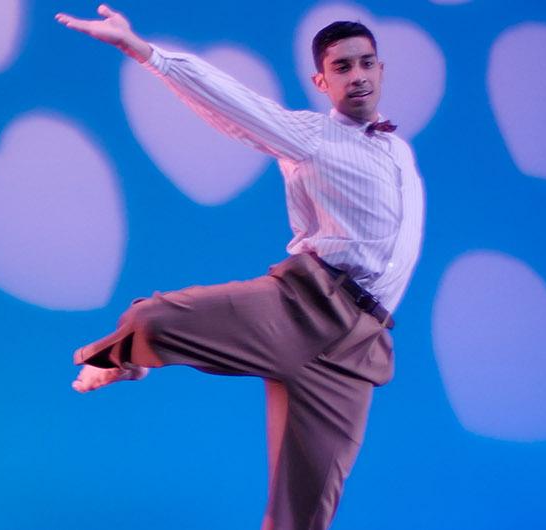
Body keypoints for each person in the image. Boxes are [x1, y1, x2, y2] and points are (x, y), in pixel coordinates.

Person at [57, 6, 424, 529]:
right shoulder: (313, 137)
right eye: (342, 67)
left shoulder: (398, 151)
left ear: (381, 70)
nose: (358, 76)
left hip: (357, 349)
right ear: (322, 81)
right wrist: (144, 51)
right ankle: (129, 355)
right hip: (305, 304)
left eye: (366, 64)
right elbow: (234, 105)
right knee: (154, 320)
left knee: (304, 515)